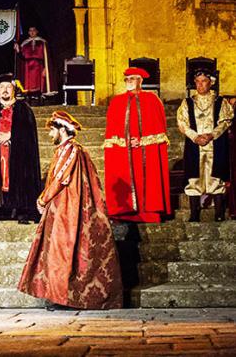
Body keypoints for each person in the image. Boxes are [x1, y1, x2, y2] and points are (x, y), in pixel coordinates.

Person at [18, 111, 123, 310]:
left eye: (52, 129)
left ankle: (66, 297)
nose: (50, 134)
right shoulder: (66, 149)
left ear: (62, 129)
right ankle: (60, 296)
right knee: (59, 251)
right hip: (61, 206)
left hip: (68, 207)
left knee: (64, 251)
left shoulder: (71, 149)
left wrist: (43, 198)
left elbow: (61, 177)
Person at [104, 67, 171, 223]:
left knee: (147, 179)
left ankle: (150, 212)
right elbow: (112, 128)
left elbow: (158, 127)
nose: (129, 82)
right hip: (123, 149)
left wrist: (142, 141)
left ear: (141, 80)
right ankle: (124, 212)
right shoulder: (116, 102)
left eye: (132, 79)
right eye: (126, 79)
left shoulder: (152, 100)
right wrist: (125, 142)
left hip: (146, 149)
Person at [0, 74, 41, 223]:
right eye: (2, 87)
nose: (5, 90)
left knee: (20, 175)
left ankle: (22, 210)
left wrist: (12, 135)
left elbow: (29, 135)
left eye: (8, 87)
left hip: (18, 156)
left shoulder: (24, 110)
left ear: (14, 90)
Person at [178, 69, 233, 222]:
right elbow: (182, 123)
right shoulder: (187, 102)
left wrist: (211, 135)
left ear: (211, 83)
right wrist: (195, 137)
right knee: (194, 178)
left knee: (216, 177)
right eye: (197, 81)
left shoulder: (220, 102)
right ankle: (195, 214)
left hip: (215, 144)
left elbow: (225, 121)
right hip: (195, 145)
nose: (200, 84)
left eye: (204, 81)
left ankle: (219, 213)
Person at [14, 26, 57, 97]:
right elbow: (22, 57)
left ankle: (40, 97)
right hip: (27, 67)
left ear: (37, 32)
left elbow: (47, 58)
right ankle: (29, 96)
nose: (32, 32)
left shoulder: (42, 43)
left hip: (39, 66)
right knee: (28, 85)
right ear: (28, 32)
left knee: (39, 84)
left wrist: (45, 68)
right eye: (30, 31)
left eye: (34, 30)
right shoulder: (25, 44)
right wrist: (18, 50)